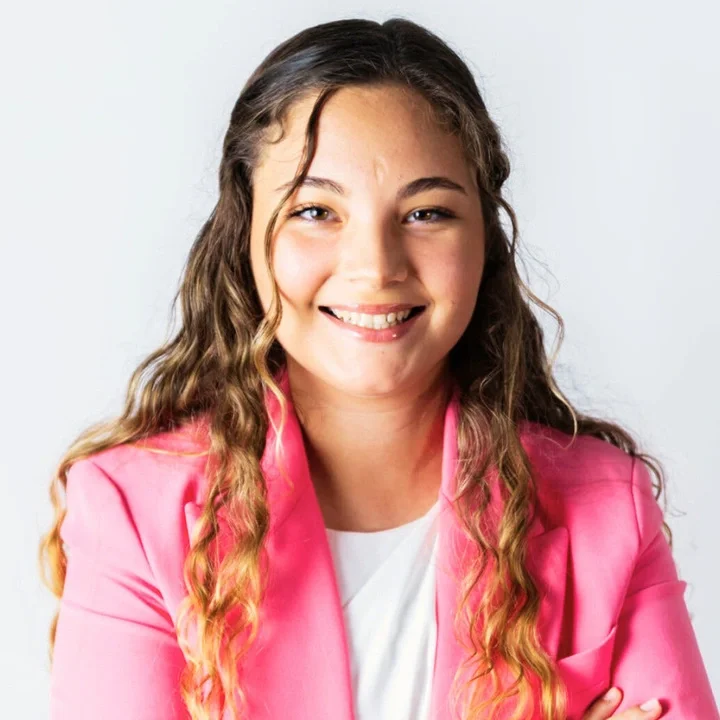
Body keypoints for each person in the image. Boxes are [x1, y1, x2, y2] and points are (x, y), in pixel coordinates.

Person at [39, 16, 718, 720]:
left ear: (485, 240)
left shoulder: (607, 508)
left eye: (426, 213)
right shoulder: (132, 510)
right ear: (244, 236)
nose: (375, 267)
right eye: (314, 211)